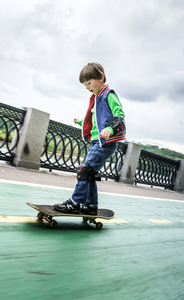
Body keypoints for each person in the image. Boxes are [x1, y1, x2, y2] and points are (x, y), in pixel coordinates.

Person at [54, 62, 126, 215]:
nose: (87, 86)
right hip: (96, 142)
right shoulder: (96, 98)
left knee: (83, 170)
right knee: (90, 174)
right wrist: (81, 122)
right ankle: (91, 205)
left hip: (105, 143)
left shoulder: (108, 94)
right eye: (84, 84)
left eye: (89, 82)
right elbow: (96, 122)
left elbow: (119, 115)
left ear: (100, 77)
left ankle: (76, 202)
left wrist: (110, 128)